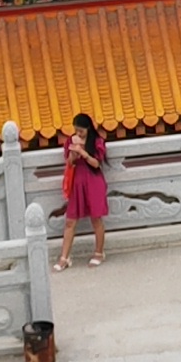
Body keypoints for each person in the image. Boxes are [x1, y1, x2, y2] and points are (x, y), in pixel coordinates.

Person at [58, 112, 111, 267]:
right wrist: (74, 153)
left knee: (96, 218)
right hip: (77, 182)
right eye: (76, 130)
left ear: (88, 128)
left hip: (93, 181)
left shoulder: (97, 142)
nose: (78, 133)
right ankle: (64, 257)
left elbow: (96, 164)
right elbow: (69, 162)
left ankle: (99, 252)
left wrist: (84, 153)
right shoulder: (70, 141)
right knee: (70, 220)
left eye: (81, 130)